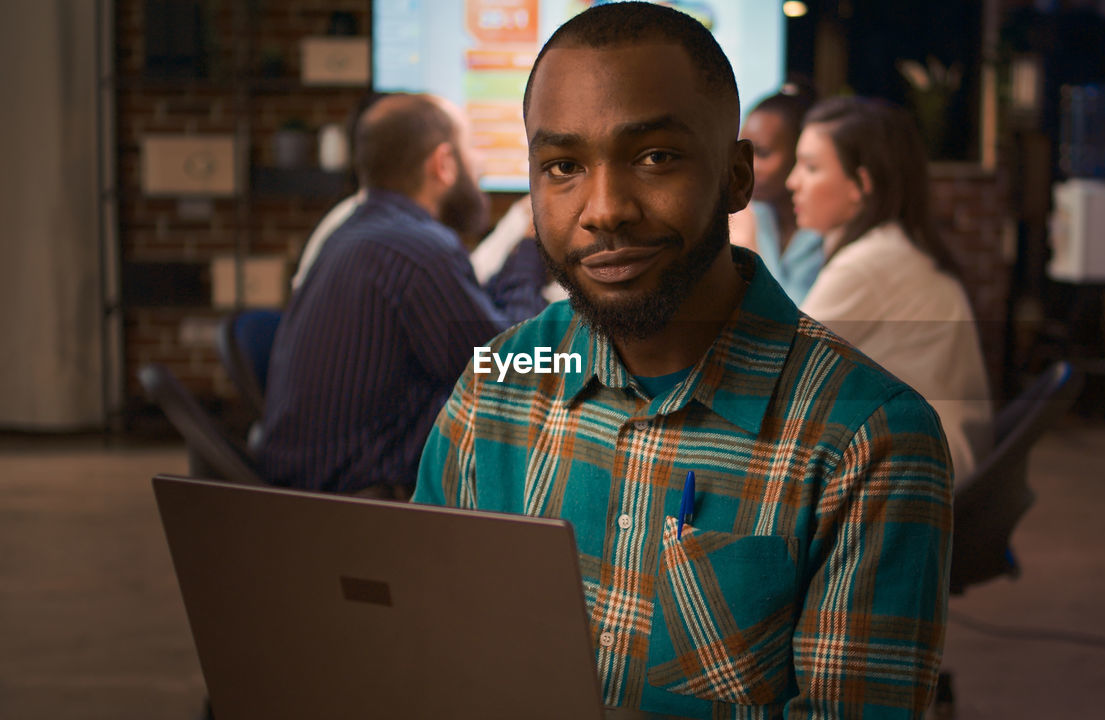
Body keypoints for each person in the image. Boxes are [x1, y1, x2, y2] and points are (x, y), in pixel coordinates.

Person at [415, 4, 952, 717]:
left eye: (654, 156)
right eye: (563, 166)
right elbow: (419, 647)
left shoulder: (868, 438)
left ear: (735, 177)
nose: (604, 208)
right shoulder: (498, 384)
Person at [255, 93, 547, 497]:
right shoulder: (419, 249)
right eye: (471, 148)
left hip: (306, 485)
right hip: (361, 503)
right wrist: (531, 251)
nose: (479, 163)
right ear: (443, 164)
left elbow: (469, 330)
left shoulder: (354, 232)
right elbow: (510, 368)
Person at [789, 95, 993, 482]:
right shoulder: (894, 245)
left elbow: (778, 368)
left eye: (811, 167)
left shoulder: (870, 263)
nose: (792, 181)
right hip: (934, 459)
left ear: (861, 184)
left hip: (915, 473)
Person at [731, 85, 824, 305]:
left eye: (762, 154)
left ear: (799, 154)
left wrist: (749, 248)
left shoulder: (827, 228)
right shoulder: (750, 213)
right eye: (743, 151)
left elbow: (798, 324)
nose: (745, 165)